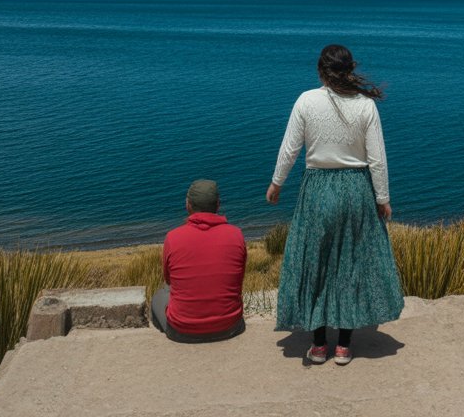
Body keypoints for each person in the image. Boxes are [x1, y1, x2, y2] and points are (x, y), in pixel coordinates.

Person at [266, 44, 404, 365]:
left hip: (317, 189)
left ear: (320, 71)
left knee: (316, 262)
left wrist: (277, 183)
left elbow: (290, 149)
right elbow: (377, 160)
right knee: (350, 265)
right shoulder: (365, 106)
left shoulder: (306, 101)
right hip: (356, 190)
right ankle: (343, 346)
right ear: (350, 70)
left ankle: (317, 345)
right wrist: (382, 198)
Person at [150, 179, 247, 343]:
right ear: (218, 205)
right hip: (231, 326)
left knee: (159, 295)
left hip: (183, 331)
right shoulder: (236, 235)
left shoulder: (173, 238)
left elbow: (169, 280)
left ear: (188, 205)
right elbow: (239, 278)